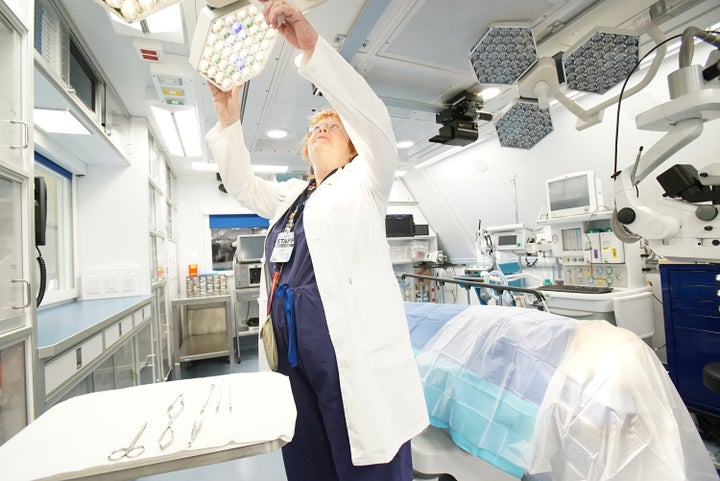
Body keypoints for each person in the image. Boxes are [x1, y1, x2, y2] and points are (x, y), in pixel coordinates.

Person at [206, 1, 429, 480]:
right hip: (290, 351)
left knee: (367, 462)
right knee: (308, 461)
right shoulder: (291, 197)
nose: (321, 131)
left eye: (333, 128)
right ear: (305, 151)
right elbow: (242, 183)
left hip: (345, 348)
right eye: (315, 131)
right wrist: (228, 117)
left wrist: (311, 49)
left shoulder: (367, 183)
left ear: (352, 147)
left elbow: (373, 121)